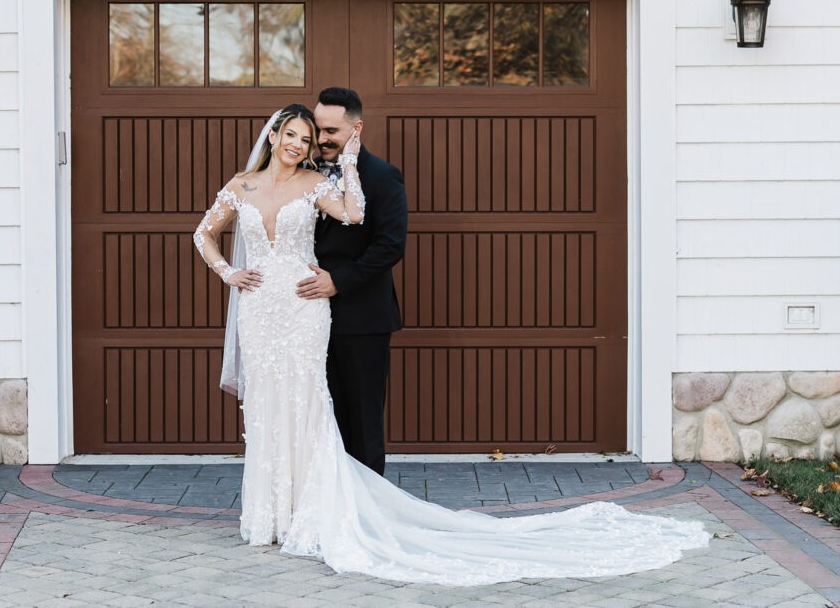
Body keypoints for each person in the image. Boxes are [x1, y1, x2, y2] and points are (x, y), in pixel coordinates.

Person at [193, 103, 709, 585]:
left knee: (308, 404)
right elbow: (204, 234)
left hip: (306, 310)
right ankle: (269, 516)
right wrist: (228, 272)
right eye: (294, 134)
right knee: (264, 406)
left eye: (309, 138)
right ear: (275, 133)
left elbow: (355, 216)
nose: (301, 143)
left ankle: (314, 514)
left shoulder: (316, 181)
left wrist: (348, 163)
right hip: (260, 311)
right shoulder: (243, 184)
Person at [295, 87, 407, 476]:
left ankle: (368, 513)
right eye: (317, 129)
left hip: (361, 320)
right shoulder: (300, 175)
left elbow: (389, 246)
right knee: (317, 418)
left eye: (331, 131)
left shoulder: (382, 176)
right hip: (303, 317)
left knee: (361, 421)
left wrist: (338, 281)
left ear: (356, 128)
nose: (321, 139)